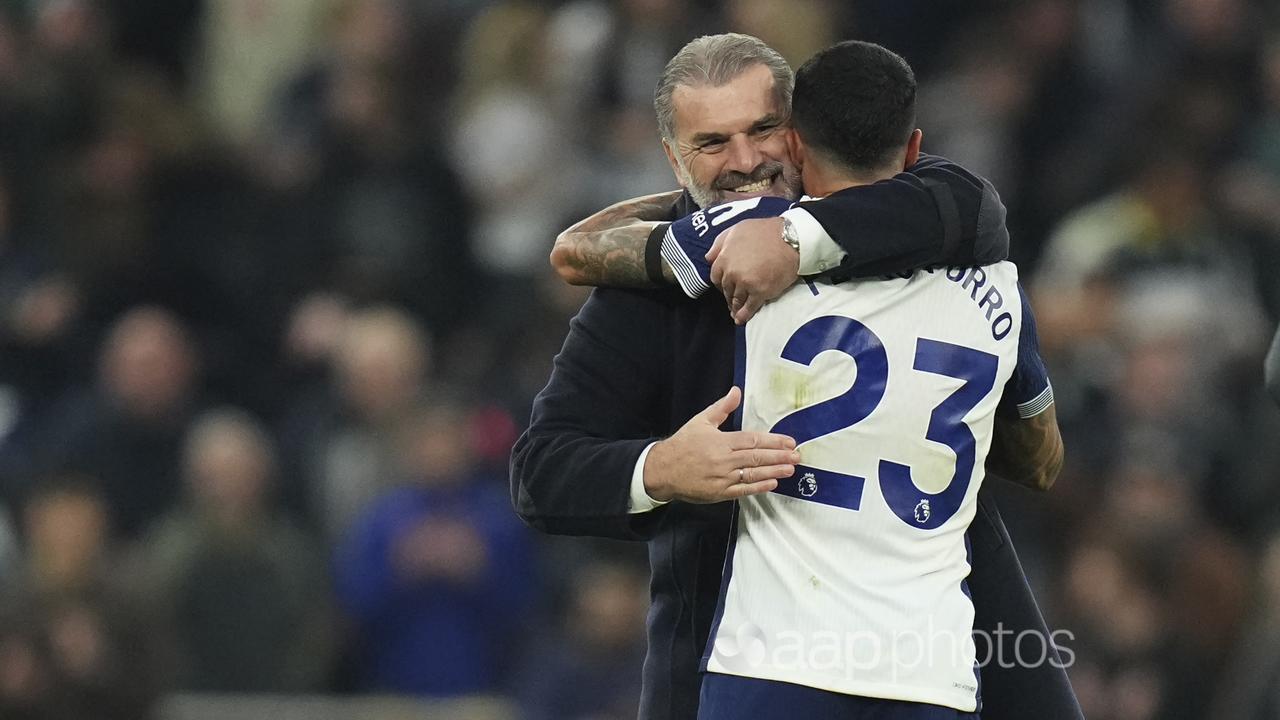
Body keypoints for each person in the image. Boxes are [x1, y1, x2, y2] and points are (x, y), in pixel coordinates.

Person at [510, 33, 1081, 720]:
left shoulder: (923, 225)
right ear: (673, 158)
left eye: (763, 129)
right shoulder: (653, 296)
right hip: (726, 656)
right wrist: (660, 468)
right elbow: (540, 470)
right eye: (713, 142)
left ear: (801, 132)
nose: (746, 161)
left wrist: (791, 240)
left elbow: (970, 201)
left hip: (935, 649)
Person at [673, 39, 1062, 719]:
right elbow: (1042, 461)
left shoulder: (751, 248)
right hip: (927, 676)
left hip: (773, 669)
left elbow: (585, 250)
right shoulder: (999, 291)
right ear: (913, 150)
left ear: (792, 145)